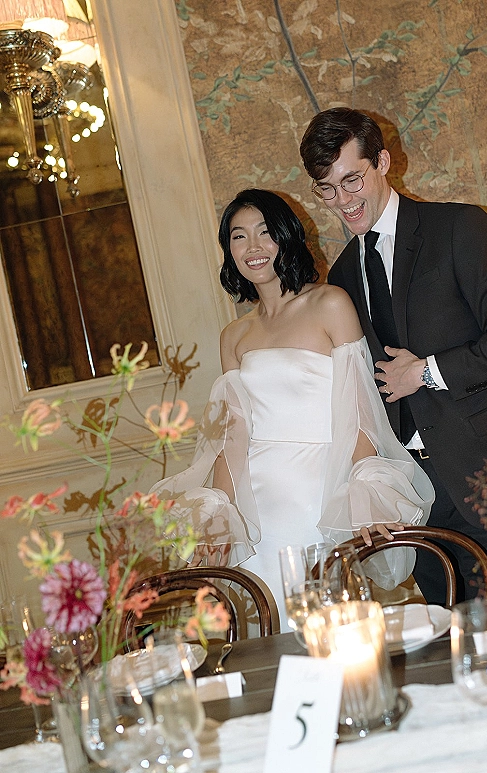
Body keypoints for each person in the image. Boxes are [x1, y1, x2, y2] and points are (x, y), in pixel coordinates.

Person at [299, 108, 487, 605]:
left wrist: (427, 372)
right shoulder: (344, 274)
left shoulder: (458, 226)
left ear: (384, 162)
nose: (342, 201)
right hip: (421, 497)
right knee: (453, 646)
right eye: (326, 189)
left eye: (352, 180)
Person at [150, 188, 434, 629]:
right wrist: (221, 511)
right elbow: (232, 437)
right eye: (239, 237)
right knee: (267, 626)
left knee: (334, 628)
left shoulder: (330, 303)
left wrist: (363, 493)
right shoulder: (233, 336)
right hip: (259, 505)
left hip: (318, 492)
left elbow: (358, 411)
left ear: (286, 237)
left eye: (265, 232)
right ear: (229, 251)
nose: (254, 247)